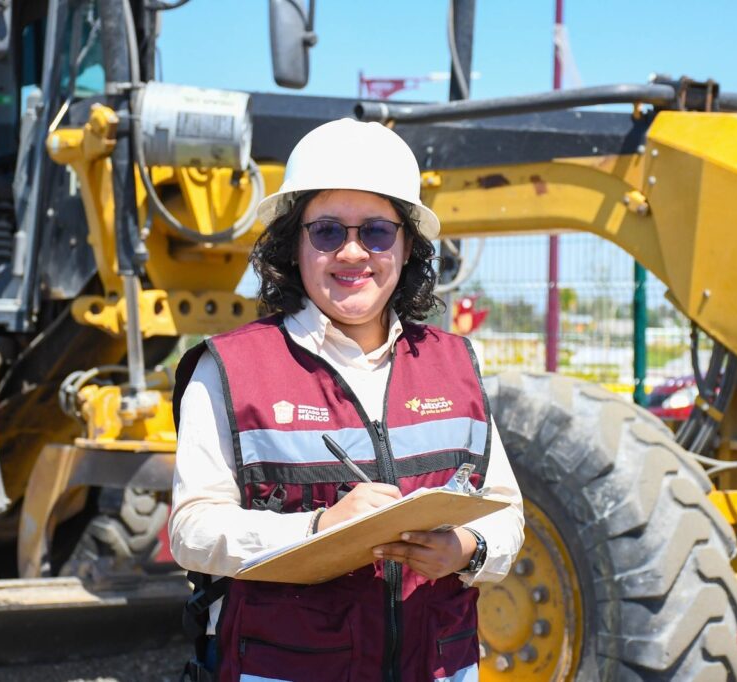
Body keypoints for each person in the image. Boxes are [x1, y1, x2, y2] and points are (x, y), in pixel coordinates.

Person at [169, 118, 524, 682]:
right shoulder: (229, 370)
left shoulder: (455, 365)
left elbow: (505, 509)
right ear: (294, 244)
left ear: (407, 248)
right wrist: (319, 528)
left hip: (440, 666)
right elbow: (191, 531)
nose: (354, 253)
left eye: (378, 232)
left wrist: (465, 548)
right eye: (328, 231)